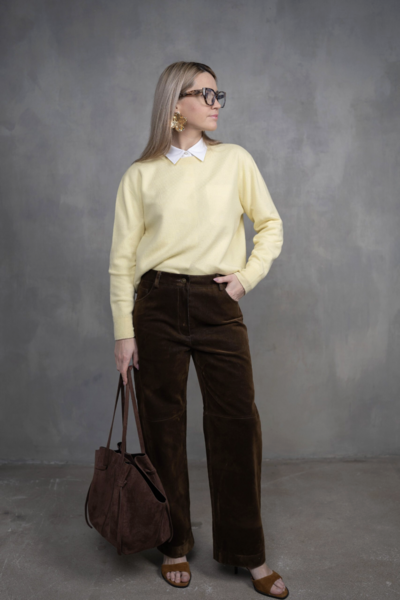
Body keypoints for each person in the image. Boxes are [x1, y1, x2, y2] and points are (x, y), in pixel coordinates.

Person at [108, 61, 288, 598]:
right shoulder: (140, 174)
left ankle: (248, 552)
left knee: (237, 422)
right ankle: (174, 544)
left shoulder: (235, 160)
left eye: (217, 94)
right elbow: (122, 261)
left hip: (217, 302)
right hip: (156, 304)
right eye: (204, 94)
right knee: (162, 427)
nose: (216, 103)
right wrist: (123, 331)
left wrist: (246, 278)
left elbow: (271, 225)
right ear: (175, 104)